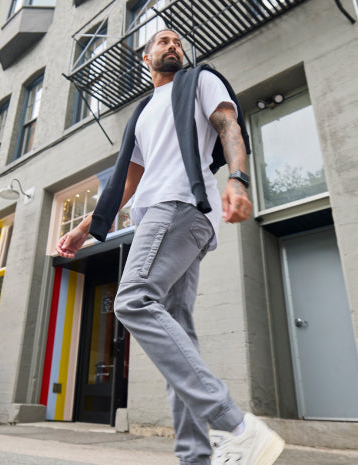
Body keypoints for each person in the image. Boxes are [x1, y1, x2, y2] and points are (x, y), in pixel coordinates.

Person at [57, 29, 284, 465]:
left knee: (133, 300)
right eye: (162, 41)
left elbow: (227, 125)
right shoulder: (143, 113)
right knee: (179, 340)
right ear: (146, 58)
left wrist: (237, 179)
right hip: (163, 217)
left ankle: (237, 426)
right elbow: (129, 181)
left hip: (177, 208)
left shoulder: (199, 80)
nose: (173, 45)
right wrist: (85, 228)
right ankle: (196, 457)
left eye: (179, 40)